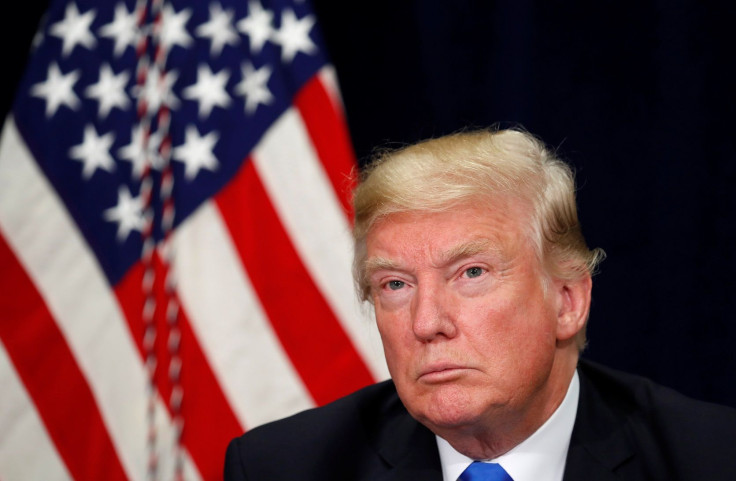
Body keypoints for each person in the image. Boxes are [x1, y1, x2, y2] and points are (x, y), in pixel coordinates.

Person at [224, 128, 736, 480]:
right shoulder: (284, 467)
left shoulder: (710, 460)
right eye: (395, 285)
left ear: (567, 301)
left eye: (471, 273)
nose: (426, 324)